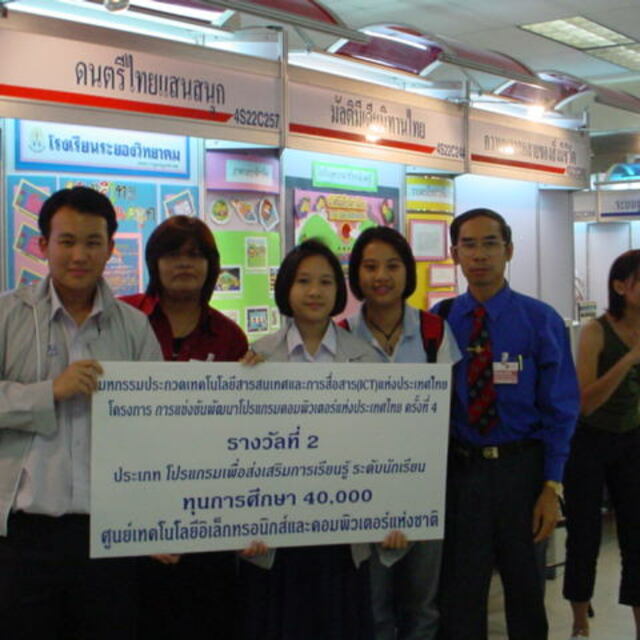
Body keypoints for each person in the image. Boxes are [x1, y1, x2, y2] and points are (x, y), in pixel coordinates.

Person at [0, 186, 162, 639]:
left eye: (93, 242)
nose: (79, 255)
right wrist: (49, 392)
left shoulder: (134, 326)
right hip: (22, 535)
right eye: (66, 241)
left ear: (110, 248)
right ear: (42, 245)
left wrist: (156, 516)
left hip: (107, 533)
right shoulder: (8, 315)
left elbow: (157, 427)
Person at [432, 208, 580, 640]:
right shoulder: (439, 321)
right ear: (455, 253)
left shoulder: (540, 320)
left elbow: (561, 409)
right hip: (462, 474)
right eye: (469, 245)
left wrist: (551, 487)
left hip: (523, 473)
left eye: (490, 244)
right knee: (461, 595)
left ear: (509, 250)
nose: (479, 255)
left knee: (526, 592)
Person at [239, 239, 382, 640]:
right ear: (286, 287)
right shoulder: (256, 358)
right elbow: (242, 452)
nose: (315, 291)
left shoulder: (365, 359)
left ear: (339, 290)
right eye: (303, 281)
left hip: (342, 528)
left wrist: (393, 512)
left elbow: (378, 446)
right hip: (277, 530)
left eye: (325, 281)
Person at [122, 215, 248, 639]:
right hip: (130, 503)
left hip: (204, 510)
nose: (183, 264)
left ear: (211, 266)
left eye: (195, 255)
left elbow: (235, 433)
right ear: (154, 262)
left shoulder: (230, 337)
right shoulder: (122, 317)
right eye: (172, 254)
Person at [343, 226, 461, 640]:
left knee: (422, 607)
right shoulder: (341, 334)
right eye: (370, 266)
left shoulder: (433, 332)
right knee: (372, 606)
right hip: (361, 490)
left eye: (392, 266)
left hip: (422, 486)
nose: (381, 276)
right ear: (356, 274)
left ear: (407, 272)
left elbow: (445, 410)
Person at [563, 249, 640, 640]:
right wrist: (629, 360)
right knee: (584, 534)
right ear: (621, 287)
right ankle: (580, 621)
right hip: (589, 441)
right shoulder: (597, 331)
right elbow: (585, 402)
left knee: (636, 537)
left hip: (632, 438)